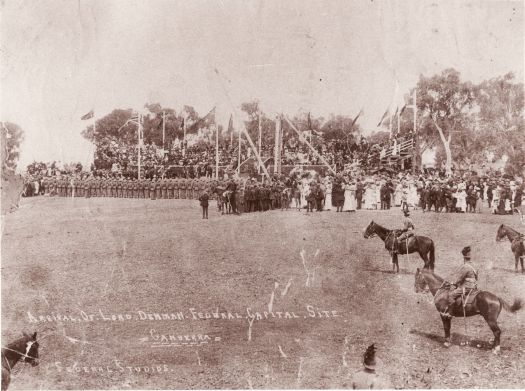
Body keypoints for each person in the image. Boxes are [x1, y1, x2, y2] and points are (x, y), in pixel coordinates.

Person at [441, 246, 478, 318]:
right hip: (474, 286)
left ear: (464, 258)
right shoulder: (474, 265)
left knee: (451, 295)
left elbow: (459, 279)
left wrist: (453, 283)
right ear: (469, 257)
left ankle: (450, 314)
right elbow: (476, 277)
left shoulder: (465, 267)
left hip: (467, 287)